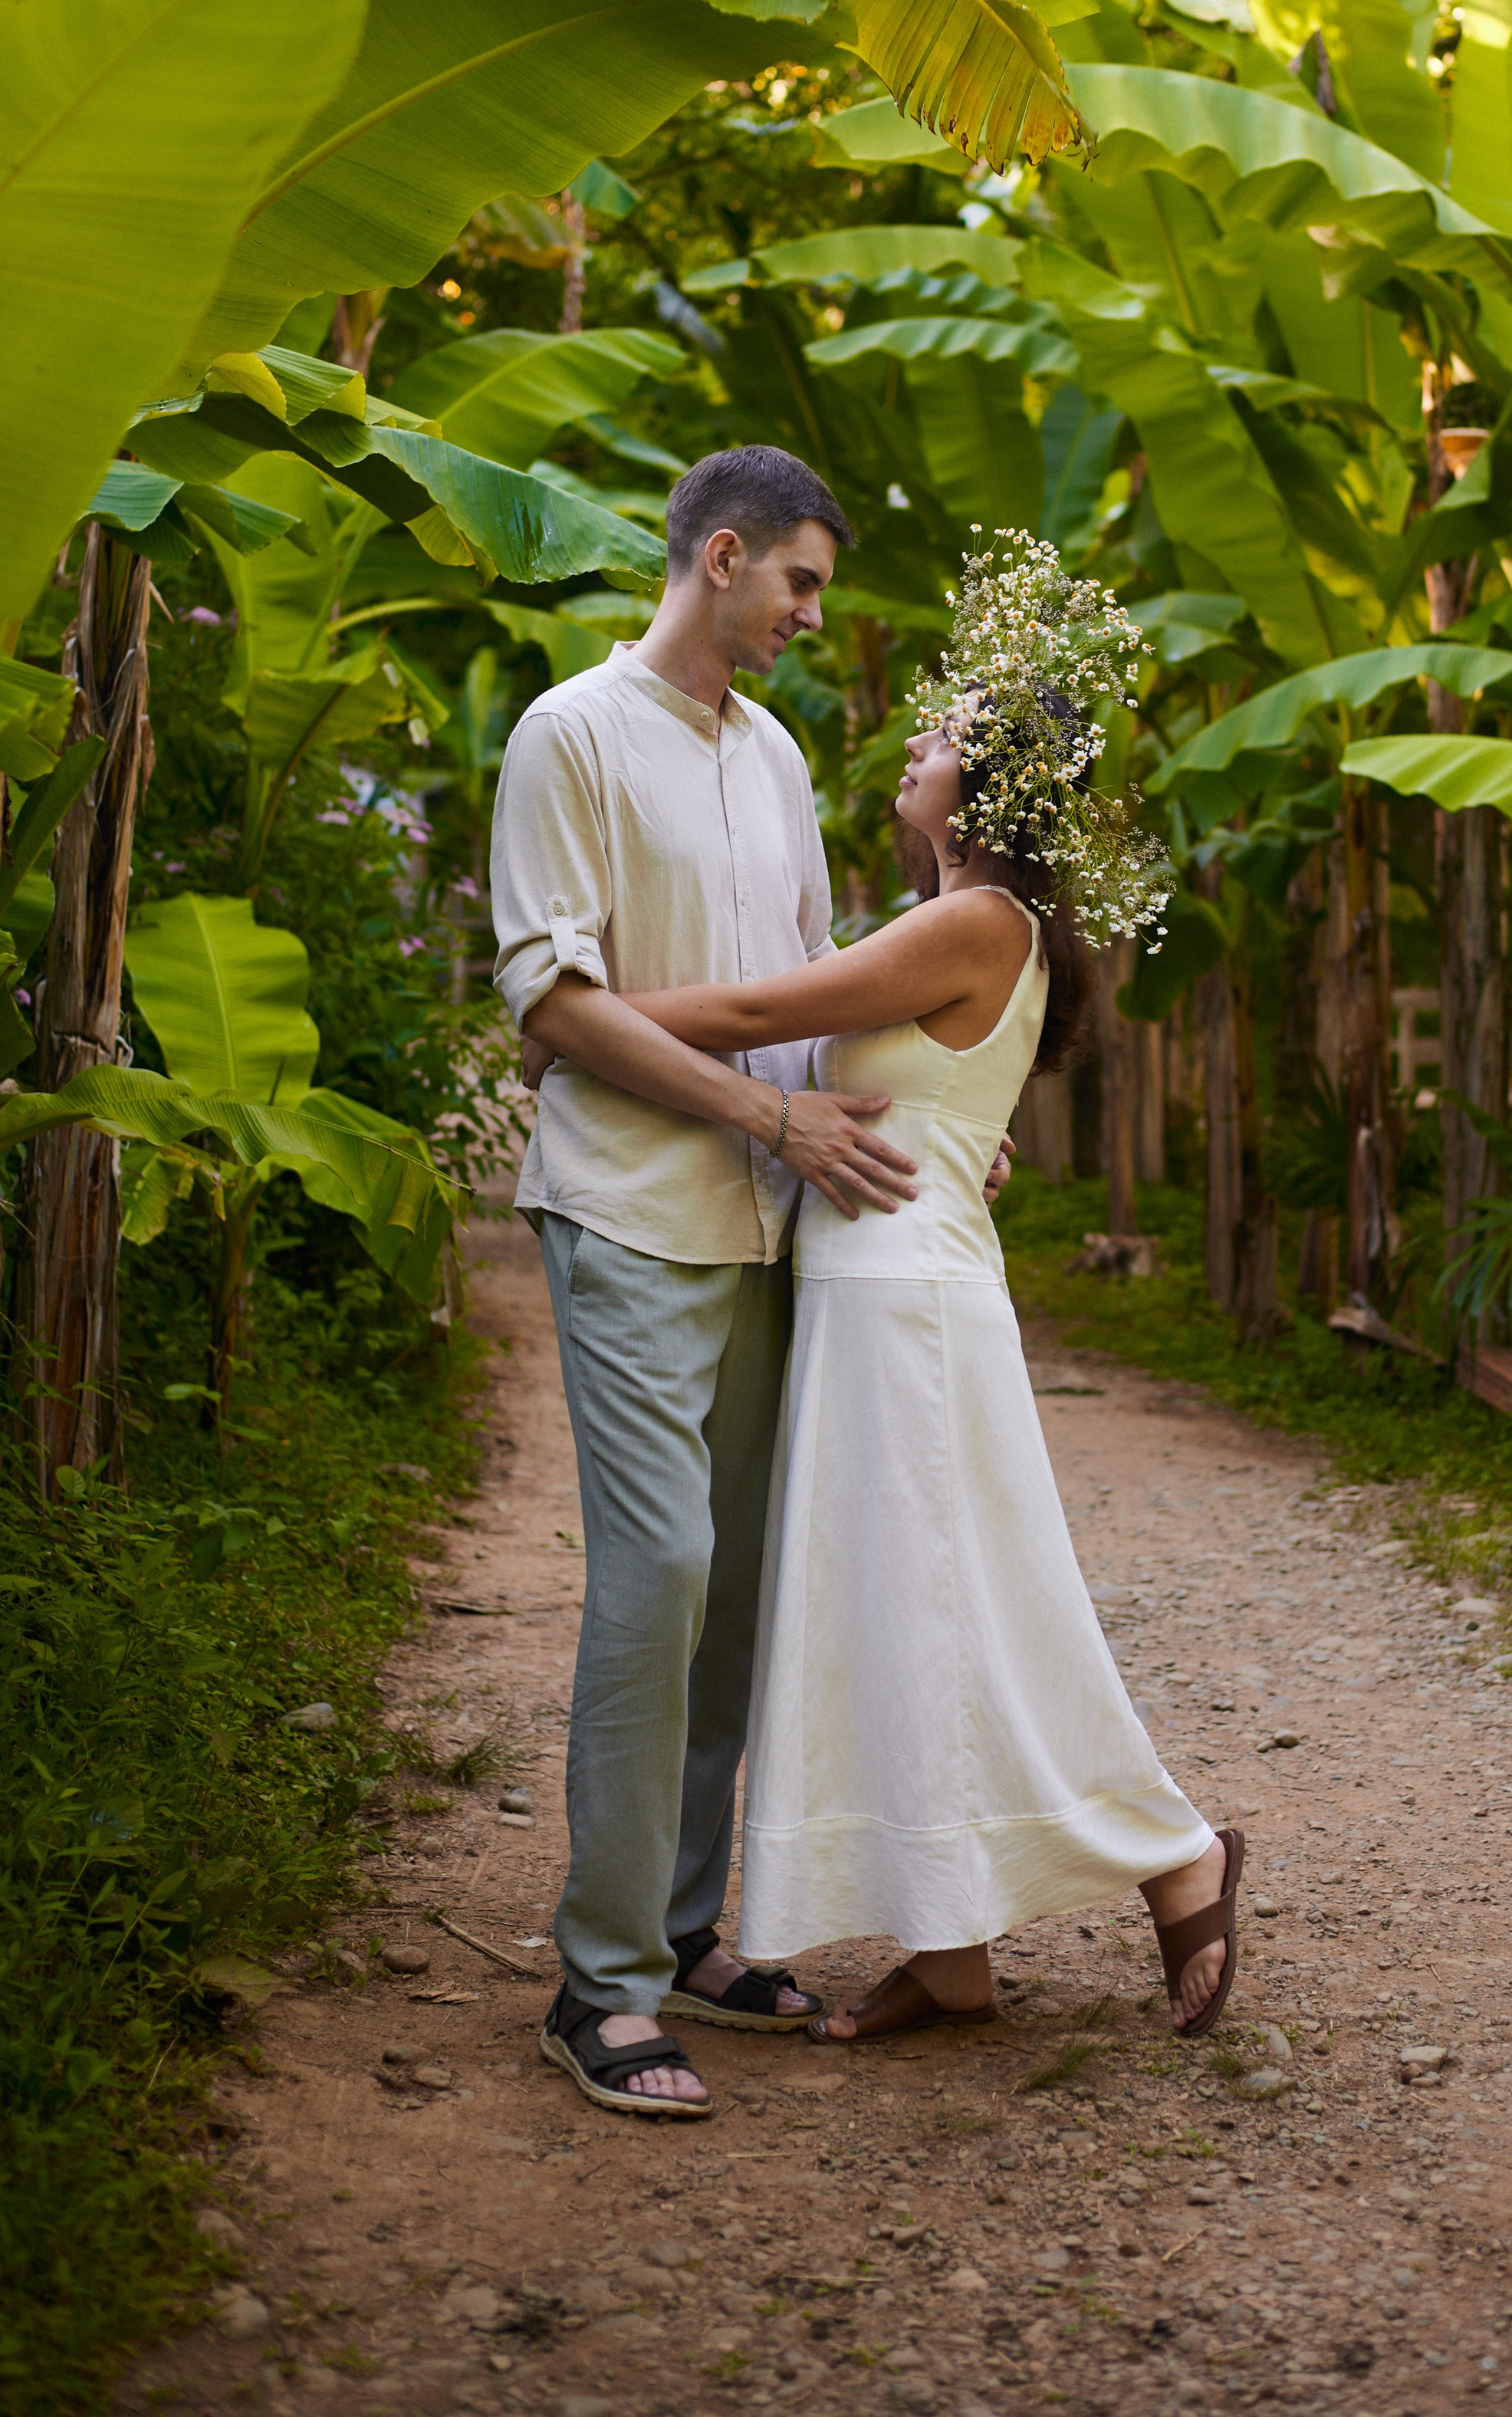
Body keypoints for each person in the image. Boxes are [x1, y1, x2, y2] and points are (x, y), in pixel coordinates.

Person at [595, 531, 1242, 2054]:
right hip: (877, 1290)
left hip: (907, 1305)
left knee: (976, 1606)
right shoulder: (968, 927)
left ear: (984, 791)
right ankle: (949, 1949)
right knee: (894, 1614)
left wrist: (583, 1006)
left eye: (941, 741)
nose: (915, 748)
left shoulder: (966, 920)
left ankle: (1175, 1855)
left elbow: (762, 1009)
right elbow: (884, 1079)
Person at [493, 442, 954, 2123]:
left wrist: (933, 1124)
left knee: (741, 1598)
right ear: (723, 557)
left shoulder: (772, 756)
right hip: (625, 1212)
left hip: (771, 1227)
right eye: (802, 585)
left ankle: (685, 1929)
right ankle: (595, 1984)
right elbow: (553, 1001)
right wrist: (765, 1106)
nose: (809, 618)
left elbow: (805, 995)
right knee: (659, 1577)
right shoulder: (568, 733)